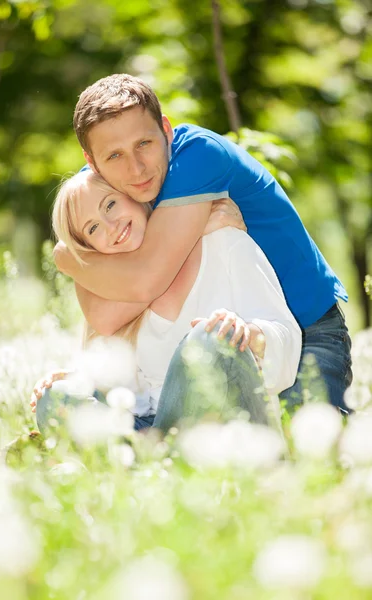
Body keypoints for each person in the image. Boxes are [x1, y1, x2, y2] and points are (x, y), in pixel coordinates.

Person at [55, 74, 352, 413]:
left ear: (166, 130)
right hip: (222, 340)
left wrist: (73, 258)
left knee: (316, 455)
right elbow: (103, 317)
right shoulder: (97, 193)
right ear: (91, 162)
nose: (135, 168)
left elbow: (144, 281)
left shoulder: (197, 156)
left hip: (303, 328)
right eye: (114, 156)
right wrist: (66, 255)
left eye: (144, 144)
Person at [31, 170, 301, 433]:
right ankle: (153, 466)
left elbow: (287, 341)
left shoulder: (222, 240)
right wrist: (83, 383)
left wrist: (250, 335)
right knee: (54, 399)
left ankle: (166, 466)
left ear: (133, 195)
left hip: (226, 434)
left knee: (210, 338)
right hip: (159, 432)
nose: (111, 226)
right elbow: (133, 402)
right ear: (91, 247)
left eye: (110, 205)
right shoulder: (114, 295)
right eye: (93, 228)